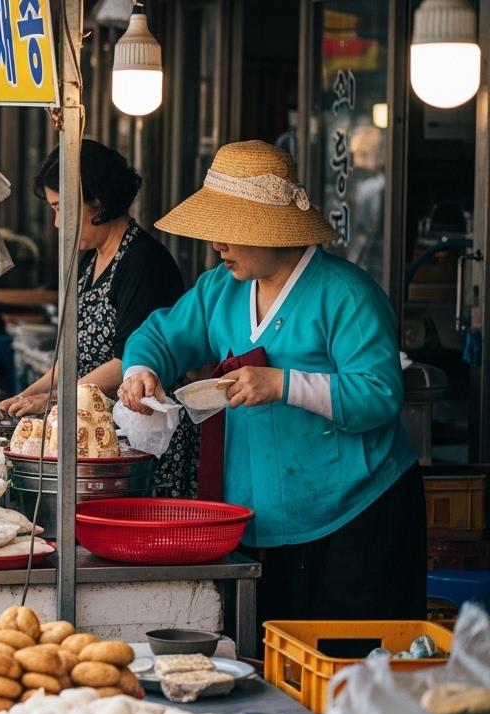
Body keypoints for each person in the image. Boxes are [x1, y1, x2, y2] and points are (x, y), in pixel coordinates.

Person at [118, 140, 422, 623]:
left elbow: (379, 393)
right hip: (261, 509)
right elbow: (160, 335)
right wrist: (142, 372)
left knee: (346, 656)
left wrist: (283, 385)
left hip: (357, 511)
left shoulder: (346, 294)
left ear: (270, 229)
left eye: (228, 231)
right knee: (273, 647)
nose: (216, 245)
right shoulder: (220, 288)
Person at [0, 140, 198, 498]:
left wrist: (55, 403)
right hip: (94, 438)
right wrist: (25, 398)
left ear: (98, 202)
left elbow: (127, 364)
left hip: (140, 438)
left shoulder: (143, 262)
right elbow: (71, 360)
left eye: (61, 208)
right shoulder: (90, 260)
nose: (57, 223)